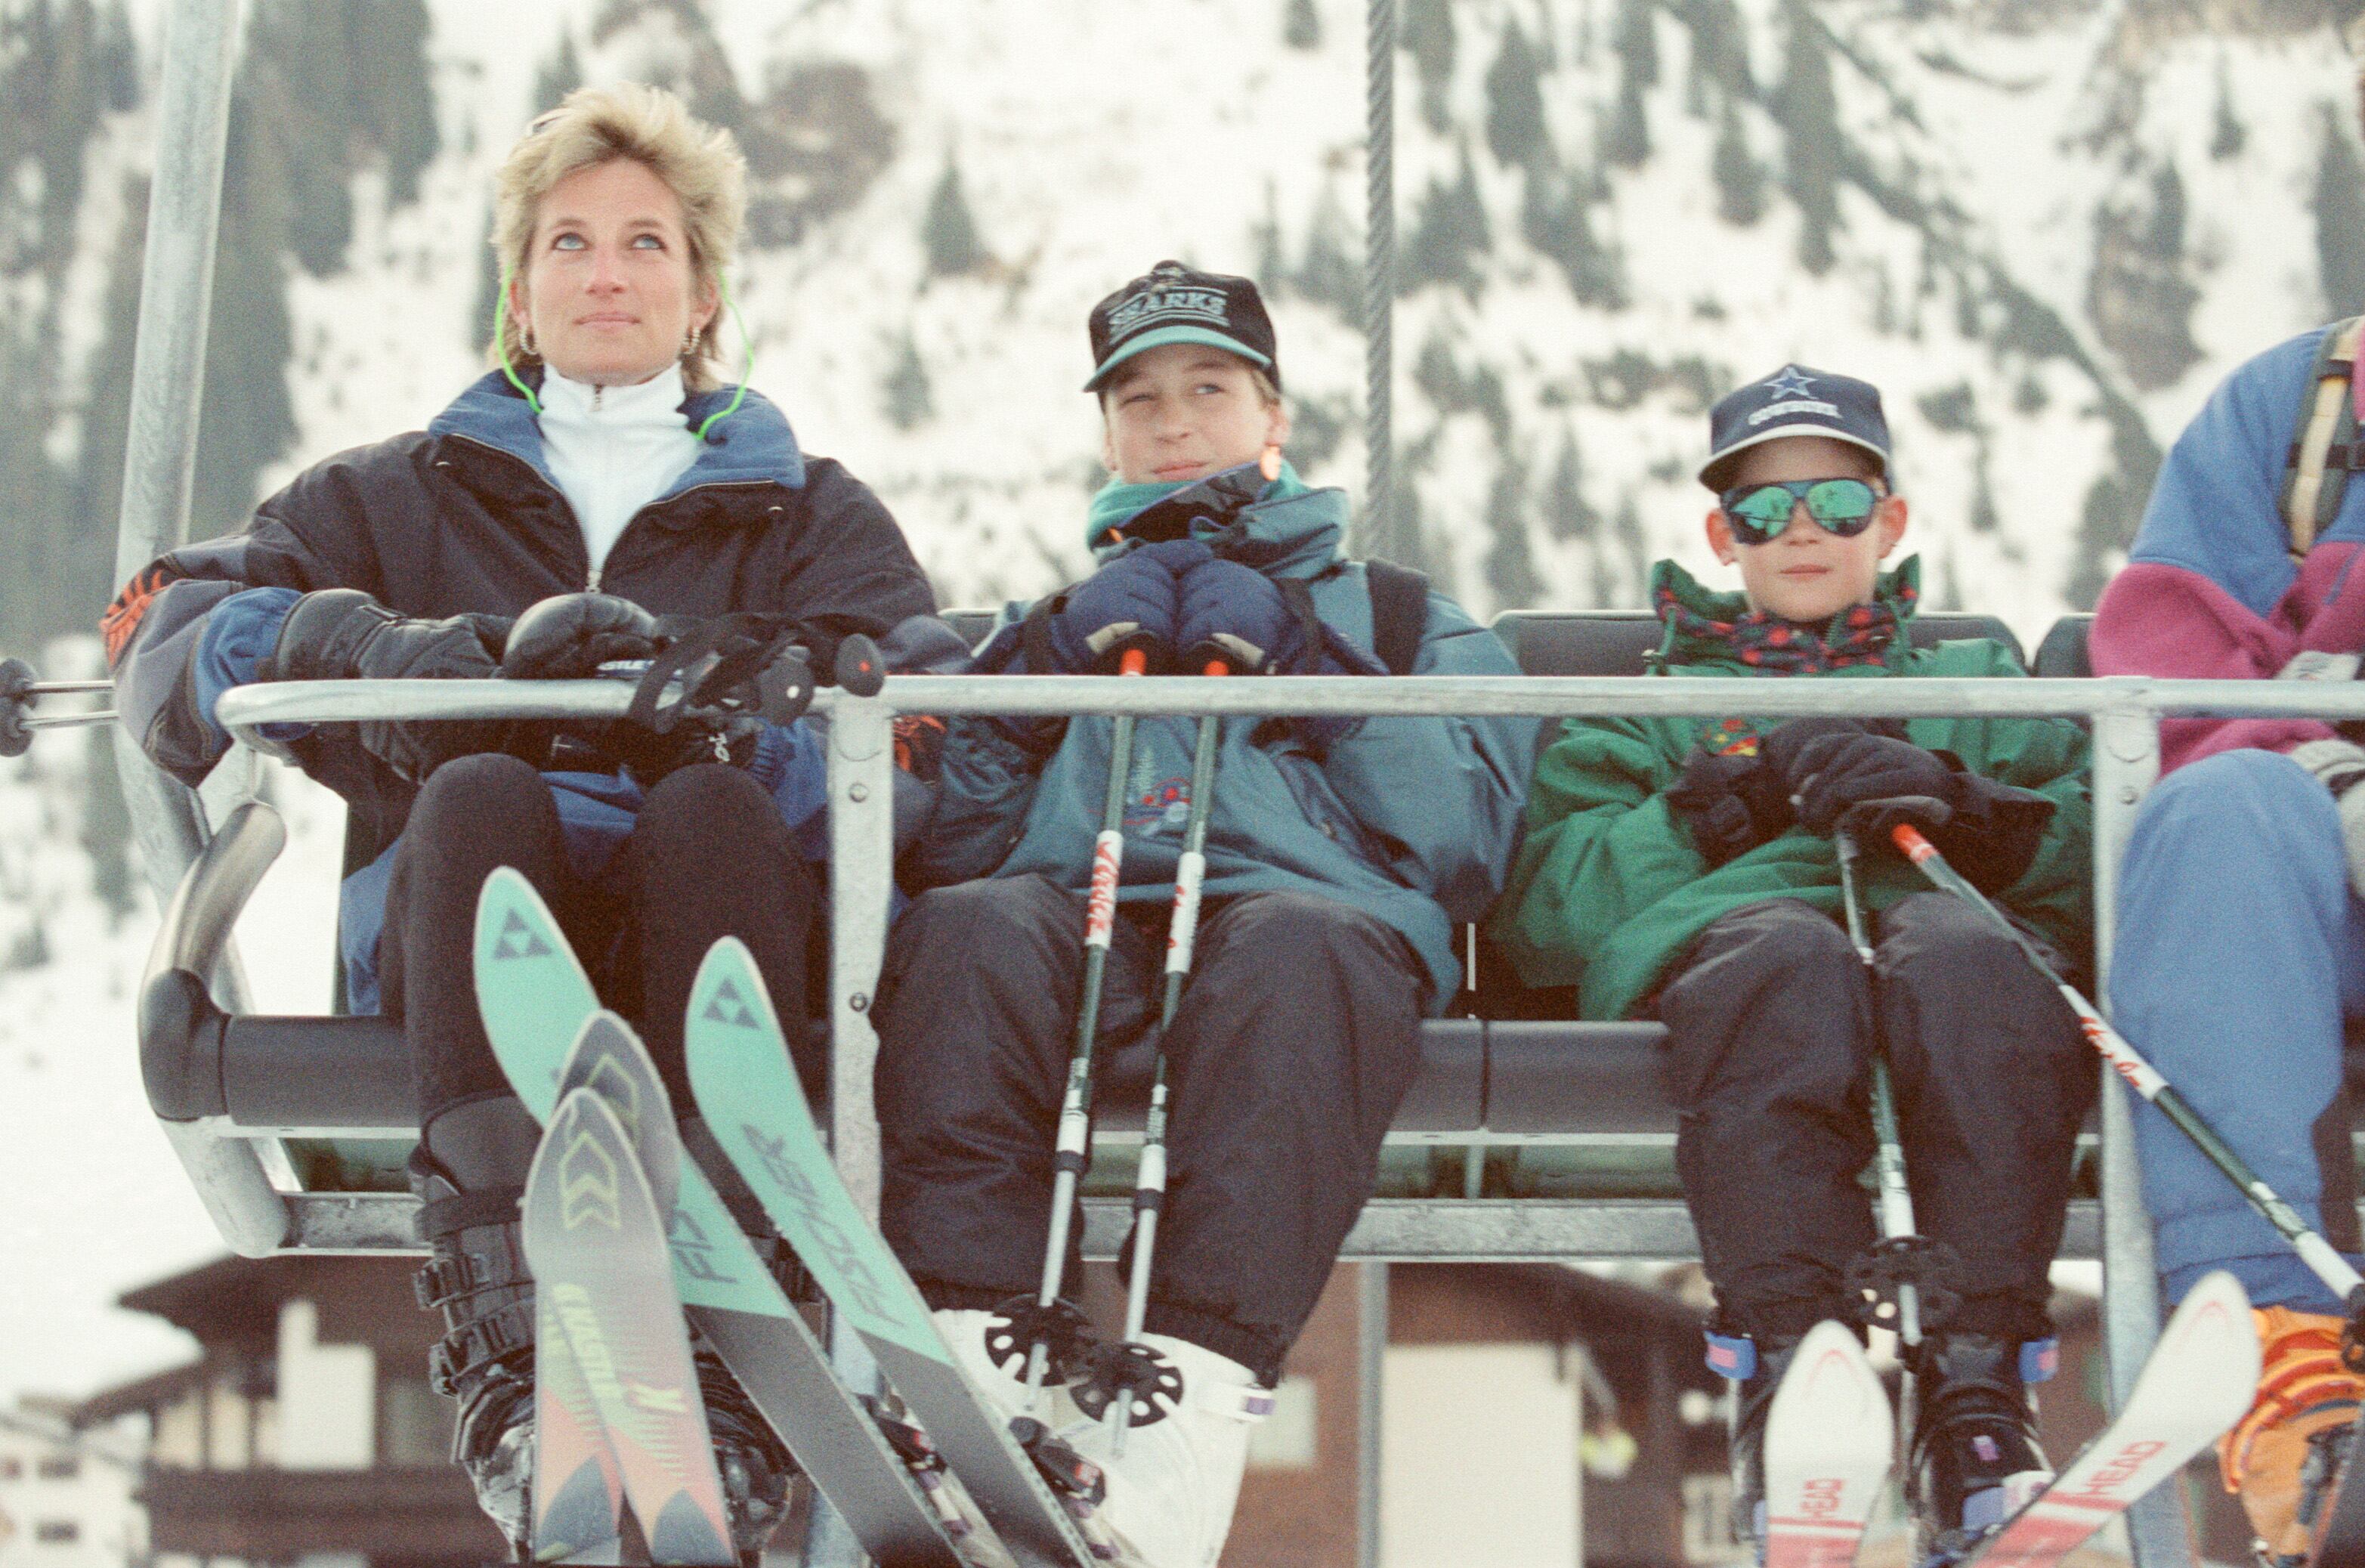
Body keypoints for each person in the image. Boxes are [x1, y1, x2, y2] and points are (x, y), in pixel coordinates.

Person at [100, 83, 960, 1559]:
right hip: (473, 926)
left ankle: (726, 1348)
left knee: (708, 807)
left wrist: (771, 720)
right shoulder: (389, 503)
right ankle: (509, 1343)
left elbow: (931, 726)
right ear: (519, 289)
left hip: (717, 917)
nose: (605, 274)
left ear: (703, 296)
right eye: (570, 242)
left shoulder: (806, 520)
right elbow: (157, 627)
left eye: (645, 243)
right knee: (480, 791)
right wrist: (365, 653)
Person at [870, 260, 1535, 1568]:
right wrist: (1034, 680)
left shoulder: (1397, 617)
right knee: (969, 935)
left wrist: (1312, 672)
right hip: (1080, 912)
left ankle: (1179, 1428)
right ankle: (980, 1374)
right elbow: (951, 848)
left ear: (1272, 415)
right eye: (1139, 400)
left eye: (1208, 390)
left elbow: (1461, 840)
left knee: (1295, 955)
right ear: (1106, 433)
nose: (1172, 423)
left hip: (1297, 922)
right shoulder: (1050, 624)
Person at [1488, 366, 2095, 1560]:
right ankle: (1791, 1363)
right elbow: (1545, 914)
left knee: (1969, 959)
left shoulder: (1974, 692)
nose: (1802, 531)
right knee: (1784, 962)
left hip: (1944, 925)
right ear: (1723, 536)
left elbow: (2102, 848)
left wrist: (1969, 809)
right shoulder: (1644, 708)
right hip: (1742, 945)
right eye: (1764, 511)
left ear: (1889, 520)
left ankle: (1975, 1393)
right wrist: (1723, 805)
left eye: (1836, 502)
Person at [2090, 317, 2365, 1564]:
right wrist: (2322, 771)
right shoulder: (2301, 411)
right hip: (2314, 872)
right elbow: (2175, 674)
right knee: (2212, 817)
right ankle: (2283, 1358)